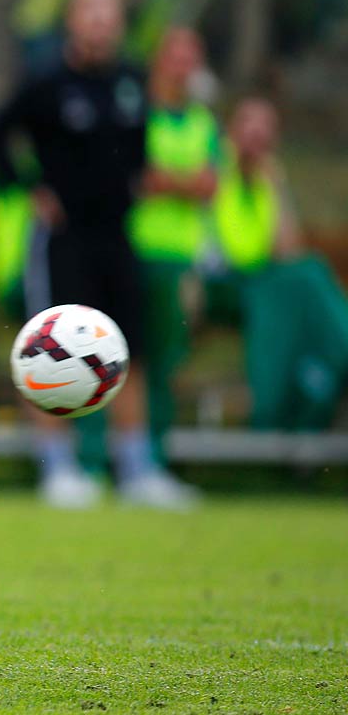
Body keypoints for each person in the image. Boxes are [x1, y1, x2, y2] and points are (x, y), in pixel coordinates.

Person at [0, 0, 189, 509]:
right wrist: (28, 189)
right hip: (63, 237)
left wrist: (135, 181)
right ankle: (59, 469)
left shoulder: (130, 82)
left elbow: (137, 148)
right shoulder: (47, 81)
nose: (100, 22)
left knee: (129, 350)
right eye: (90, 11)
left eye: (109, 13)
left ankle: (138, 470)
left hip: (118, 236)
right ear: (73, 21)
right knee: (48, 348)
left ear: (119, 24)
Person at [213, 98, 348, 431]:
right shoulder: (213, 170)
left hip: (262, 281)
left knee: (307, 272)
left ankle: (306, 393)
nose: (257, 133)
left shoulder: (267, 179)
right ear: (231, 130)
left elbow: (288, 251)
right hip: (220, 283)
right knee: (304, 278)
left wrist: (276, 189)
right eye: (249, 123)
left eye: (266, 126)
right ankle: (274, 413)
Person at [123, 28, 216, 499]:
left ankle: (151, 467)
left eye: (190, 58)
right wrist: (183, 183)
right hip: (134, 252)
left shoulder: (202, 121)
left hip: (179, 259)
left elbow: (209, 185)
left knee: (164, 365)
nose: (182, 67)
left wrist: (170, 182)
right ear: (159, 61)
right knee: (118, 360)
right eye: (174, 57)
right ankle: (102, 463)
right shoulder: (138, 112)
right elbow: (139, 180)